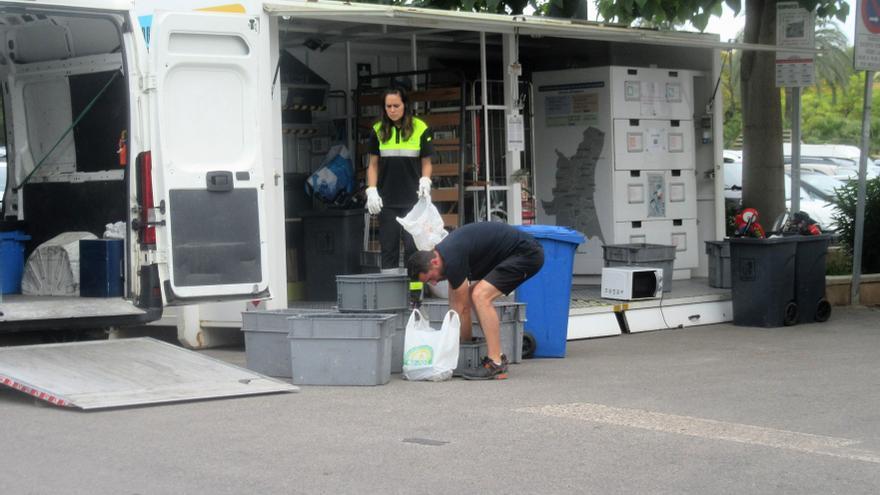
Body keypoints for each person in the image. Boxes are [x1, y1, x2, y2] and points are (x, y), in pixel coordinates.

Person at [406, 222, 544, 380]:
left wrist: (464, 344)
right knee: (474, 294)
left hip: (527, 254)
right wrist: (454, 339)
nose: (435, 283)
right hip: (517, 253)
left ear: (434, 262)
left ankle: (496, 363)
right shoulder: (446, 255)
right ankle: (497, 355)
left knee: (480, 296)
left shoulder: (451, 257)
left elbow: (463, 310)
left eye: (431, 278)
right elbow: (455, 307)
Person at [365, 87, 434, 270]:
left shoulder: (420, 127)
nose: (392, 110)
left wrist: (425, 180)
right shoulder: (377, 130)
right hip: (387, 200)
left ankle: (415, 294)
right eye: (388, 106)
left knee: (414, 249)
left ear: (405, 105)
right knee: (388, 248)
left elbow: (426, 162)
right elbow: (373, 164)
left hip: (414, 200)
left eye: (396, 105)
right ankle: (390, 294)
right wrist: (371, 190)